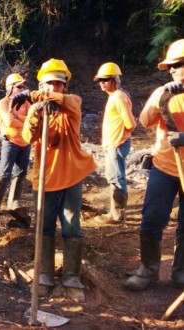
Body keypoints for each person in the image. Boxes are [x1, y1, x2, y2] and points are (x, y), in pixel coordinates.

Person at [15, 58, 97, 300]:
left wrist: (36, 95)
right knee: (45, 226)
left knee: (71, 226)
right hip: (45, 178)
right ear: (42, 85)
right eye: (48, 84)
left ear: (65, 86)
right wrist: (35, 112)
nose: (53, 88)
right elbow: (28, 136)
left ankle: (72, 276)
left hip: (71, 174)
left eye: (57, 84)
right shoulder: (36, 109)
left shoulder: (72, 104)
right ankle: (44, 274)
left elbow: (68, 101)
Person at [126, 39, 184, 291]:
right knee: (151, 219)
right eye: (171, 67)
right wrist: (162, 97)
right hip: (164, 167)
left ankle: (181, 270)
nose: (173, 70)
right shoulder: (163, 93)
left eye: (178, 65)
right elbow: (145, 121)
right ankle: (148, 269)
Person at [93, 63, 135, 224]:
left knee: (116, 177)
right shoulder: (115, 96)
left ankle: (117, 215)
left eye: (105, 80)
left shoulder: (118, 97)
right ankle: (114, 211)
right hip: (113, 143)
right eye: (100, 80)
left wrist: (120, 137)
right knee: (113, 176)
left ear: (114, 80)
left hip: (117, 143)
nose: (102, 83)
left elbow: (131, 123)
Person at [0, 73, 32, 228]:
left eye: (23, 86)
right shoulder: (4, 103)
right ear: (10, 88)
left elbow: (33, 121)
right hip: (10, 142)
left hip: (25, 142)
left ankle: (13, 201)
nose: (22, 89)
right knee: (4, 173)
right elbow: (9, 122)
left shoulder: (27, 103)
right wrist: (23, 120)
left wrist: (18, 118)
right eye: (18, 86)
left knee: (21, 173)